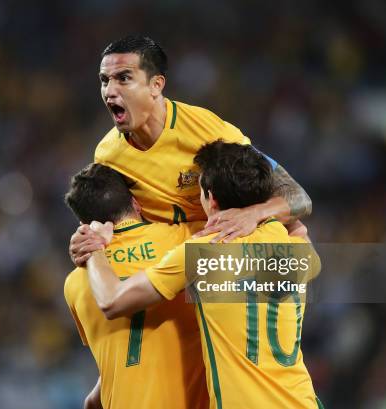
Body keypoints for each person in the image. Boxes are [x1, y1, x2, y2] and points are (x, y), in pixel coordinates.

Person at [85, 141, 323, 409]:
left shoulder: (204, 252)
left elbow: (112, 301)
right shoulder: (296, 248)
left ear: (211, 199)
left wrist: (94, 246)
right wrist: (260, 211)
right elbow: (299, 227)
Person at [69, 34, 312, 266]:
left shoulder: (208, 132)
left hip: (231, 252)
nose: (110, 91)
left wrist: (253, 214)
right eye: (104, 80)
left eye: (123, 78)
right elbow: (111, 222)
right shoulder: (108, 155)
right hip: (175, 263)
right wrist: (88, 238)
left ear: (156, 85)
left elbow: (298, 198)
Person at [63, 163, 209, 409]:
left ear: (84, 225)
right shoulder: (184, 238)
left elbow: (122, 353)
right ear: (137, 203)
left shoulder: (75, 283)